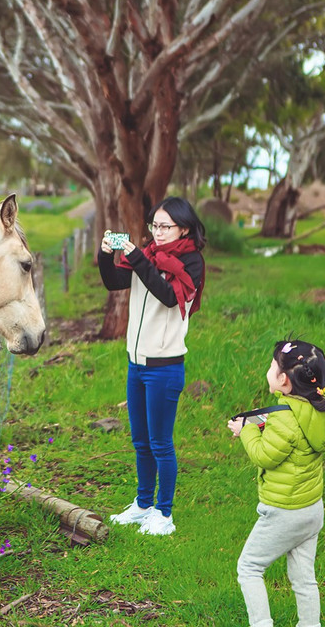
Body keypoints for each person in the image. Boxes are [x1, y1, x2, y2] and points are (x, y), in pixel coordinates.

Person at [98, 196, 206, 536]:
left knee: (161, 442)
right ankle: (143, 505)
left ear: (183, 228)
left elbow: (167, 295)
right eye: (154, 225)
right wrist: (106, 254)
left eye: (164, 226)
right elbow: (114, 282)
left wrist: (135, 256)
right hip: (136, 363)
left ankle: (164, 513)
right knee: (141, 442)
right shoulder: (146, 256)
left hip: (165, 367)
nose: (157, 232)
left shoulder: (191, 263)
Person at [228, 340, 325, 627]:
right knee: (304, 578)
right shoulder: (319, 407)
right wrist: (259, 423)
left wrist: (246, 431)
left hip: (284, 511)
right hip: (311, 508)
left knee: (249, 568)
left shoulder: (284, 420)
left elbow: (264, 456)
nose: (269, 370)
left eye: (272, 366)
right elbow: (288, 427)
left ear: (283, 380)